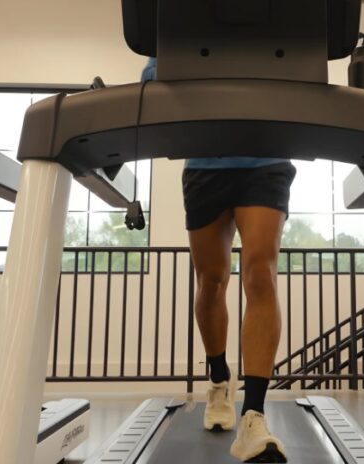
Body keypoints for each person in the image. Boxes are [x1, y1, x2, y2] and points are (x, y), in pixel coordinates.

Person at [142, 57, 295, 463]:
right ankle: (218, 378)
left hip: (266, 160)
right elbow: (155, 74)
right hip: (206, 164)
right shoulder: (188, 23)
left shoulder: (275, 22)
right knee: (211, 281)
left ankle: (254, 416)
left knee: (260, 274)